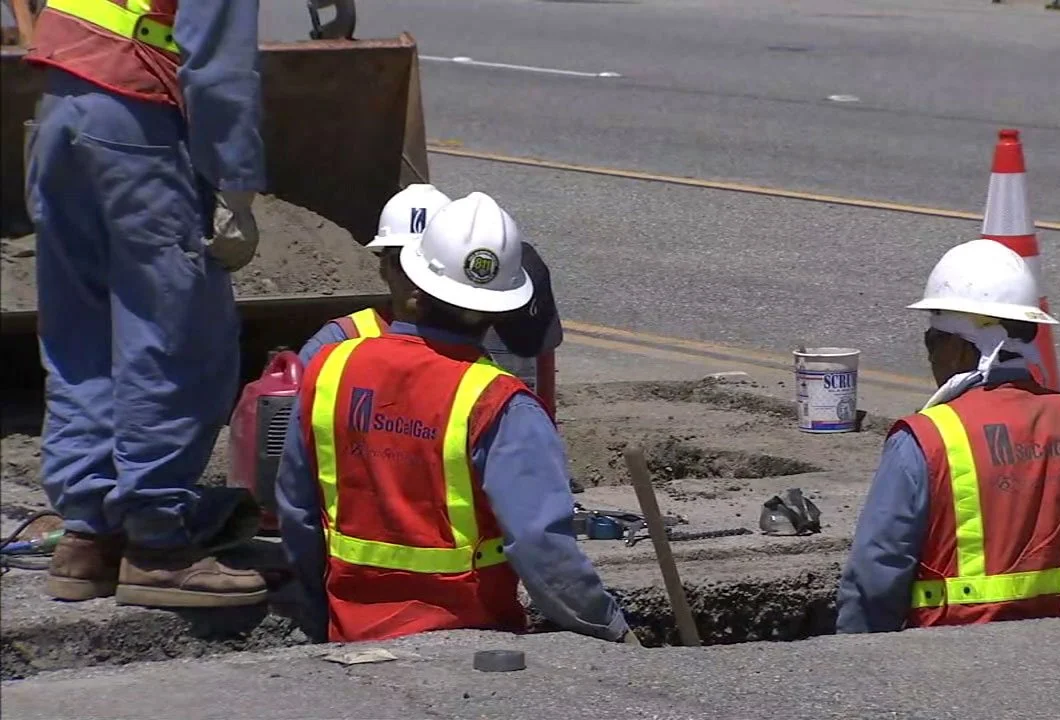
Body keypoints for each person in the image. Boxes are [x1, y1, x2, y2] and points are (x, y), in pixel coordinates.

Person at [274, 192, 637, 645]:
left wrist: (318, 615)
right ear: (504, 304)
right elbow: (542, 548)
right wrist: (607, 625)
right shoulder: (501, 404)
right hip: (470, 643)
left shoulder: (330, 367)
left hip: (351, 632)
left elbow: (297, 512)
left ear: (414, 277)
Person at [25, 0, 269, 606]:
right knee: (175, 334)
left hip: (61, 107)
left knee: (81, 329)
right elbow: (215, 64)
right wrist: (236, 184)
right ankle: (159, 544)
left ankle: (88, 535)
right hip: (138, 117)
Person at [836, 239, 1060, 633]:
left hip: (952, 655)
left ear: (957, 347)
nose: (931, 358)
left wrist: (856, 653)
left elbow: (879, 568)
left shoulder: (928, 438)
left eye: (932, 342)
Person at [299, 184, 564, 368]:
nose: (415, 281)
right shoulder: (338, 342)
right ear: (383, 269)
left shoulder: (494, 340)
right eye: (403, 264)